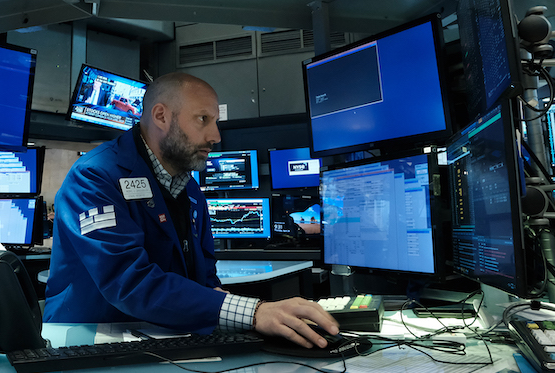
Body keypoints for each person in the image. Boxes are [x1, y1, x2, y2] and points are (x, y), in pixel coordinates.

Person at [44, 72, 339, 348]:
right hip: (89, 343)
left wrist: (257, 316)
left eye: (215, 121)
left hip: (167, 338)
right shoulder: (95, 177)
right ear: (161, 116)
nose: (216, 136)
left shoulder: (190, 190)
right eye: (203, 119)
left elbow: (205, 279)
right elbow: (128, 282)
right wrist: (253, 312)